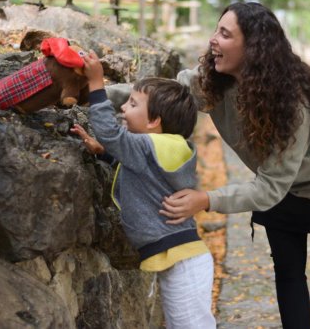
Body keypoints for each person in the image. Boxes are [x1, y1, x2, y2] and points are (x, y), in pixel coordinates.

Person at [159, 2, 310, 329]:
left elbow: (270, 187)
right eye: (216, 30)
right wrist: (99, 93)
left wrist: (207, 200)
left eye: (225, 34)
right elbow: (160, 97)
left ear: (253, 48)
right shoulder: (217, 81)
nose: (213, 40)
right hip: (278, 183)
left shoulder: (291, 103)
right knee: (288, 273)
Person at [71, 51, 216, 329]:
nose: (123, 108)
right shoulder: (165, 147)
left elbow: (111, 134)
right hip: (182, 258)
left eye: (133, 103)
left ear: (154, 121)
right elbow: (143, 172)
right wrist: (105, 154)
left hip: (183, 262)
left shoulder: (151, 145)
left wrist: (97, 85)